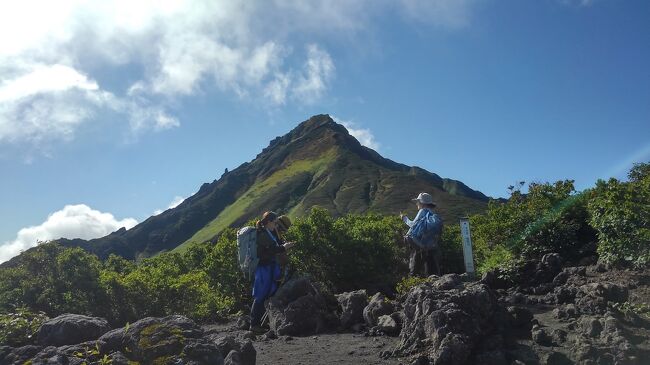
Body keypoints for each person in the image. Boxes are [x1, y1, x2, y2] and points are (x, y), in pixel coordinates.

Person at [250, 211, 295, 333]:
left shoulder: (269, 233)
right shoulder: (262, 234)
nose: (276, 225)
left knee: (268, 293)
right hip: (263, 268)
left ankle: (260, 323)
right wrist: (283, 248)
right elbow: (266, 252)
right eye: (275, 222)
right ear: (269, 222)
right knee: (260, 295)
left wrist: (283, 246)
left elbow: (273, 248)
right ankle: (254, 324)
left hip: (269, 267)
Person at [400, 192, 441, 277]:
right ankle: (433, 280)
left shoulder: (422, 211)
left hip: (418, 242)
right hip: (429, 244)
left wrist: (404, 218)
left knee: (416, 260)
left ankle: (413, 279)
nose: (416, 204)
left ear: (422, 203)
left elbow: (413, 224)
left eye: (418, 202)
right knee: (430, 263)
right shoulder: (432, 214)